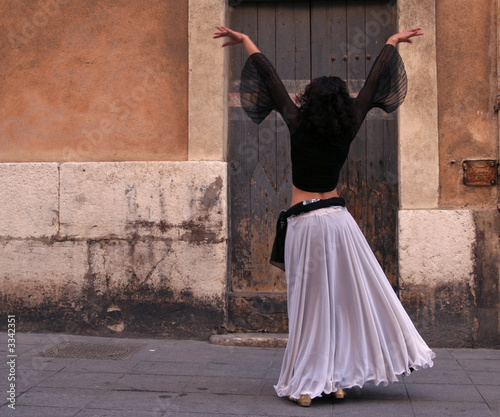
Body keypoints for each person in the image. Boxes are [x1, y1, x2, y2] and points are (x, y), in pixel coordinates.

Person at [214, 25, 435, 407]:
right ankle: (335, 380)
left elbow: (270, 78)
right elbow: (373, 83)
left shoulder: (297, 122)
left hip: (305, 223)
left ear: (310, 99)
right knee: (344, 302)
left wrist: (248, 41)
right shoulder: (349, 125)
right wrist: (391, 43)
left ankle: (308, 384)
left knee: (310, 305)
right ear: (342, 104)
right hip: (338, 223)